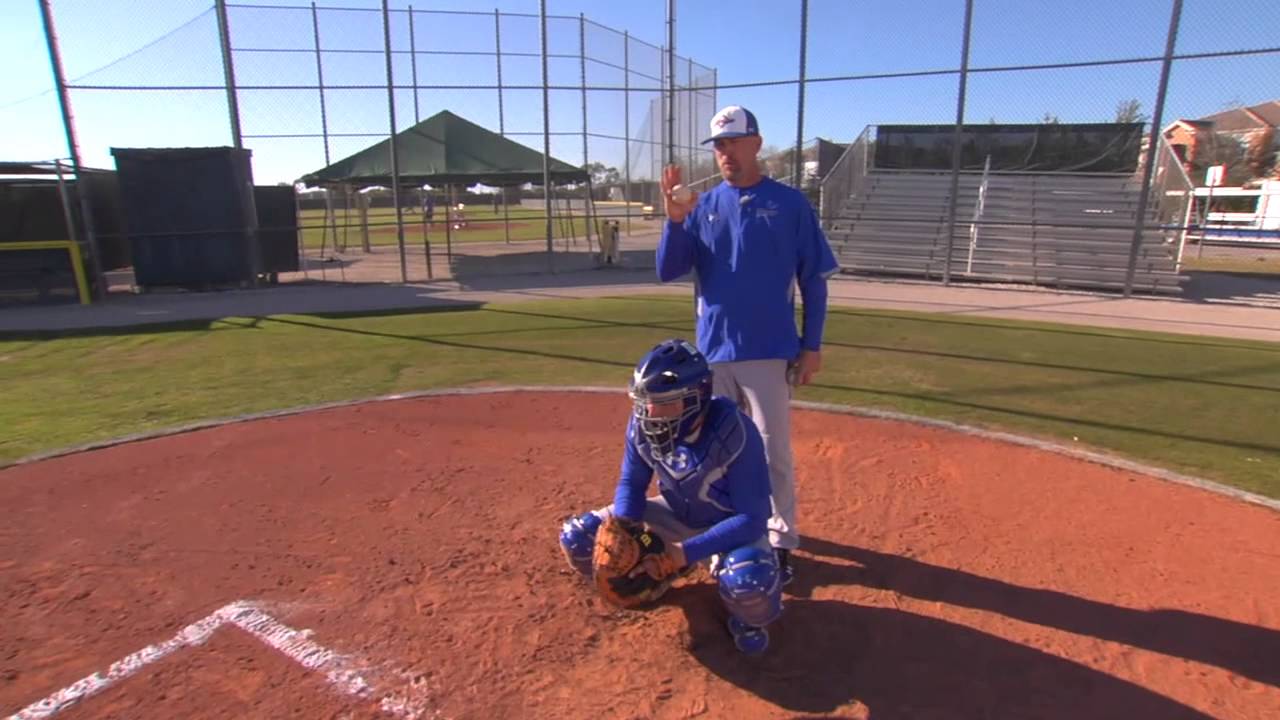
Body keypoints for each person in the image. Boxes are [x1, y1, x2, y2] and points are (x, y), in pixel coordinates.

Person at [655, 105, 839, 586]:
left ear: (756, 143)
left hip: (769, 349)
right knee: (715, 454)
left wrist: (811, 344)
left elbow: (813, 280)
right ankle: (727, 535)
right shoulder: (703, 207)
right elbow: (667, 269)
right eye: (718, 145)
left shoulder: (790, 204)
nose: (725, 153)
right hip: (713, 352)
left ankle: (779, 541)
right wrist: (675, 220)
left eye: (733, 142)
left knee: (772, 450)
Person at [558, 339, 784, 655]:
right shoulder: (642, 424)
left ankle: (747, 619)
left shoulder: (734, 431)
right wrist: (628, 527)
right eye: (646, 402)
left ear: (698, 398)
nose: (651, 413)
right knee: (579, 537)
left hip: (727, 528)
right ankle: (657, 579)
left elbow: (752, 519)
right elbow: (632, 483)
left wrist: (684, 552)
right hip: (675, 514)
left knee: (749, 581)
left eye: (666, 402)